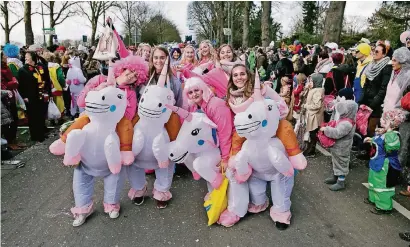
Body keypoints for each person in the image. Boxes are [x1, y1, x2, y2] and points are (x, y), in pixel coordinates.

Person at [127, 47, 182, 209]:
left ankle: (162, 190)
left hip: (164, 124)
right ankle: (138, 188)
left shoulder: (175, 81)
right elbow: (134, 99)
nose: (159, 61)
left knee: (164, 158)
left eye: (162, 58)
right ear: (151, 59)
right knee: (135, 156)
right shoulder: (143, 79)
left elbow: (178, 103)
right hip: (142, 122)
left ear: (168, 59)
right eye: (156, 57)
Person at [364, 109, 406, 214]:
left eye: (385, 120)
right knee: (374, 181)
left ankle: (384, 206)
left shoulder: (392, 135)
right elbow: (379, 142)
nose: (382, 121)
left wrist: (381, 137)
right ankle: (374, 199)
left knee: (382, 185)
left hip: (385, 164)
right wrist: (372, 139)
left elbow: (391, 147)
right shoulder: (386, 133)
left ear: (392, 124)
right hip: (377, 162)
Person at [357, 44, 392, 160]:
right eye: (373, 50)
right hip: (367, 100)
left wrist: (373, 104)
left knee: (373, 128)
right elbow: (366, 84)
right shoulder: (371, 65)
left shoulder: (386, 67)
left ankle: (374, 154)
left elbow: (383, 88)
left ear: (384, 54)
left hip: (376, 104)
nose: (373, 53)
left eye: (377, 51)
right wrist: (362, 99)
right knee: (365, 127)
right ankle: (367, 151)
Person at [321, 93, 357, 191]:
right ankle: (335, 177)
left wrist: (326, 130)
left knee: (341, 163)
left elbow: (337, 133)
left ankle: (341, 182)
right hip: (338, 147)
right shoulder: (345, 119)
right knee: (336, 161)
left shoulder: (347, 123)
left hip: (342, 148)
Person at [18, 52, 51, 143]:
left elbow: (47, 80)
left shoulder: (41, 67)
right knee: (33, 117)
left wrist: (48, 92)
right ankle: (35, 135)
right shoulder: (23, 70)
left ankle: (41, 134)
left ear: (33, 58)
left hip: (41, 95)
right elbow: (20, 85)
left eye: (27, 56)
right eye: (25, 57)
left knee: (41, 115)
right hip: (30, 97)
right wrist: (24, 96)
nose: (25, 58)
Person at [302, 73, 325, 157]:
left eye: (311, 81)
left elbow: (317, 105)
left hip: (314, 116)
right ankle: (309, 150)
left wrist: (306, 106)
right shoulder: (314, 89)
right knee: (311, 133)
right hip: (312, 115)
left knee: (312, 134)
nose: (310, 82)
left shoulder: (317, 91)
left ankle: (311, 151)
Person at [382, 47, 410, 113]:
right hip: (388, 111)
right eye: (392, 60)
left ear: (402, 61)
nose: (392, 63)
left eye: (395, 60)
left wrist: (397, 112)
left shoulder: (407, 76)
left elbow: (404, 97)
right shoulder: (394, 72)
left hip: (399, 114)